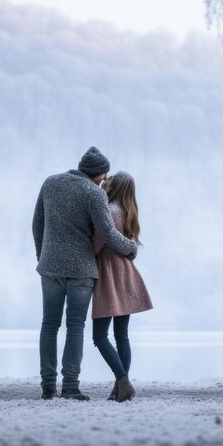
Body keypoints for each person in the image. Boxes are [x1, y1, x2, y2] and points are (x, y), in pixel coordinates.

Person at [32, 147, 138, 401]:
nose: (105, 180)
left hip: (50, 266)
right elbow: (109, 234)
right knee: (75, 326)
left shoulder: (50, 183)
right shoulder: (93, 193)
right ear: (98, 173)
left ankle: (48, 386)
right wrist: (131, 248)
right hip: (81, 269)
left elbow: (37, 223)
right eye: (104, 176)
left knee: (49, 325)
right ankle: (70, 386)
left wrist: (41, 255)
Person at [92, 171, 153, 402]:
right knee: (121, 335)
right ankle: (120, 388)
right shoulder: (128, 212)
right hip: (126, 274)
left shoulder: (109, 211)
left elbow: (97, 244)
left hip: (109, 273)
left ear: (115, 186)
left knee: (99, 336)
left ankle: (123, 381)